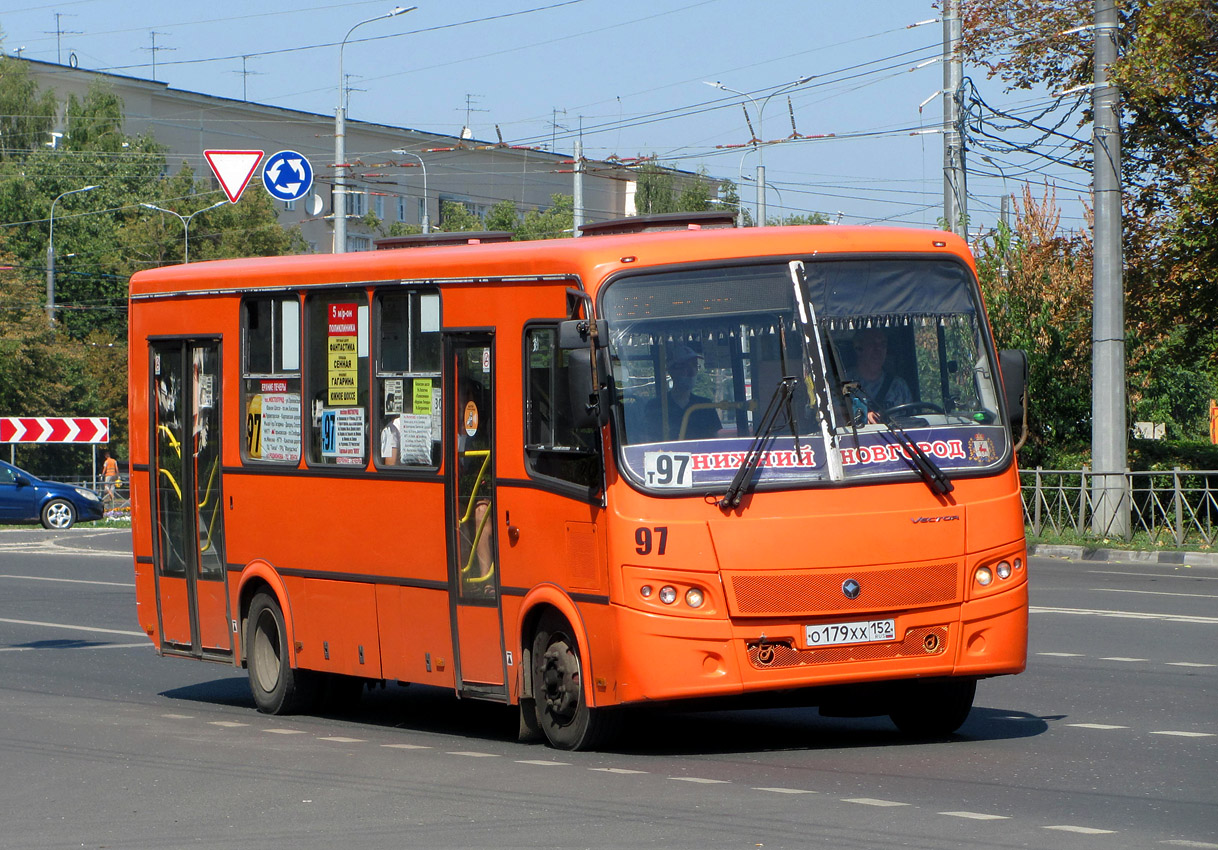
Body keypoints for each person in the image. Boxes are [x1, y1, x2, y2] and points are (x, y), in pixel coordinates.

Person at [644, 345, 722, 441]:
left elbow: (715, 442)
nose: (691, 372)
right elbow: (649, 441)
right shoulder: (655, 406)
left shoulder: (705, 406)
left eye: (695, 366)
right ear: (672, 371)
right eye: (685, 367)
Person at [849, 328, 911, 424]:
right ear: (858, 348)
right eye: (872, 344)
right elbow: (835, 418)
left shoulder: (899, 386)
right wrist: (863, 417)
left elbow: (912, 421)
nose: (878, 350)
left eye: (883, 345)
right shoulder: (843, 384)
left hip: (897, 438)